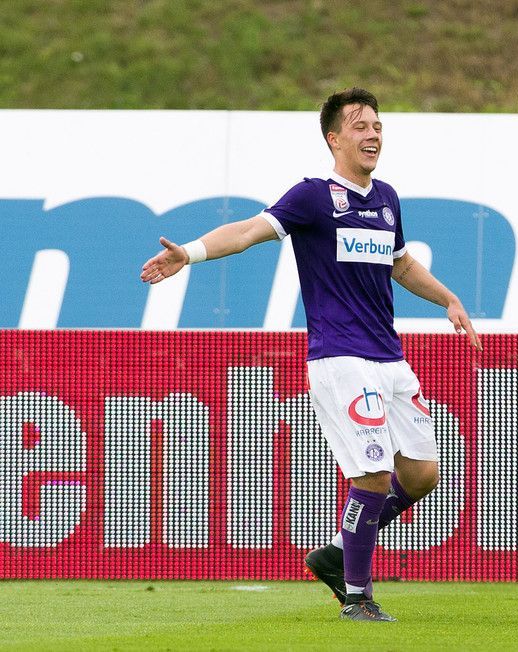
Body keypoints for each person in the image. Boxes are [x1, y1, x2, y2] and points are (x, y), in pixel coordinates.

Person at [140, 87, 481, 623]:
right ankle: (357, 597)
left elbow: (400, 263)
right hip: (341, 358)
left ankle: (338, 553)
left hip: (388, 356)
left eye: (377, 126)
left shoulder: (387, 198)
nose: (373, 135)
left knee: (420, 475)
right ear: (334, 139)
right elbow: (248, 231)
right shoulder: (312, 197)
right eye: (360, 126)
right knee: (372, 476)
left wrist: (449, 299)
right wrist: (190, 252)